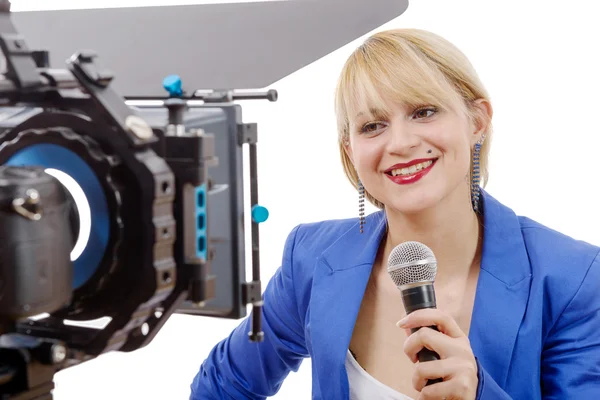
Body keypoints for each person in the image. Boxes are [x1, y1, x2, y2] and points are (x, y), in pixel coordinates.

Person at [189, 28, 600, 400]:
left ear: (477, 122)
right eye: (372, 126)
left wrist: (479, 394)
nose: (400, 143)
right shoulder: (311, 259)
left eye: (423, 112)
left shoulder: (573, 278)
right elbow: (222, 388)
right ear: (350, 151)